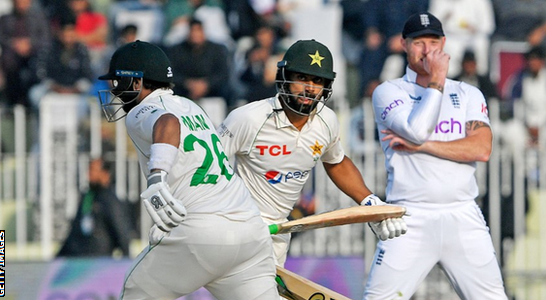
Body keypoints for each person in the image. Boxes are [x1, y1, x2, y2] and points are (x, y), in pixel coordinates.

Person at [97, 40, 279, 300]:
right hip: (250, 231)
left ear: (137, 83)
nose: (113, 89)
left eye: (117, 82)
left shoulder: (140, 112)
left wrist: (157, 176)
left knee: (133, 292)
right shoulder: (191, 105)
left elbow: (167, 122)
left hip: (202, 232)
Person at [217, 39, 407, 268]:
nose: (310, 88)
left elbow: (336, 162)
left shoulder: (326, 120)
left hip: (277, 231)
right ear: (285, 77)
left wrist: (370, 202)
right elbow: (209, 163)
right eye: (302, 78)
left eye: (318, 81)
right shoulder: (248, 118)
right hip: (237, 227)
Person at [363, 12, 508, 299]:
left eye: (433, 42)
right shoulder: (389, 91)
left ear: (444, 43)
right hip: (409, 216)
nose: (427, 50)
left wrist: (425, 147)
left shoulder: (468, 93)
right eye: (418, 43)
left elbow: (481, 149)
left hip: (463, 214)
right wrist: (438, 81)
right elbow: (417, 130)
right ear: (404, 45)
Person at [57, 157, 134, 257]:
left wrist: (126, 260)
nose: (89, 175)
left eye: (94, 170)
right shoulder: (87, 197)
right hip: (78, 259)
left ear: (105, 174)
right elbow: (74, 232)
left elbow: (121, 232)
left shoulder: (110, 200)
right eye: (89, 170)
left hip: (98, 262)